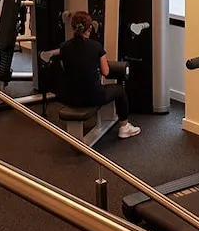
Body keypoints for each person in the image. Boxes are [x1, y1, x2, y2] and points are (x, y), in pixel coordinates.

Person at [58, 11, 140, 139]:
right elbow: (106, 72)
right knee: (119, 90)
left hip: (71, 97)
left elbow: (66, 69)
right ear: (90, 28)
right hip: (93, 97)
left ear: (73, 27)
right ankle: (124, 127)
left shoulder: (64, 47)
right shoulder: (96, 46)